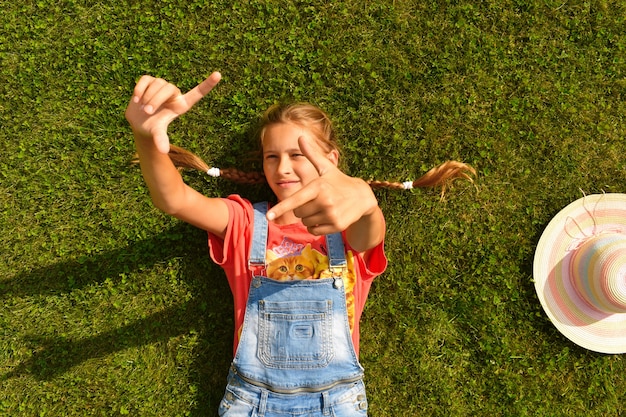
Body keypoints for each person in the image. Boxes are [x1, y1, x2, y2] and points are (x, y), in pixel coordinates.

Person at [125, 72, 475, 416]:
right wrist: (145, 136)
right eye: (272, 156)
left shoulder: (348, 230)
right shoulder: (246, 222)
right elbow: (175, 200)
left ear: (331, 161)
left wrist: (366, 202)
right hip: (252, 402)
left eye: (297, 155)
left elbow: (370, 233)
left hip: (337, 405)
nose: (283, 169)